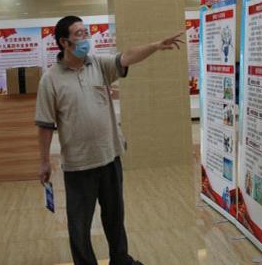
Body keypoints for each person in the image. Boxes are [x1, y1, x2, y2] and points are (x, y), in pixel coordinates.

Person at [36, 15, 183, 265]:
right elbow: (45, 124)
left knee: (115, 216)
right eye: (79, 34)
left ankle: (120, 260)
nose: (85, 38)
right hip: (78, 164)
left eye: (86, 32)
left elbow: (127, 56)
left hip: (109, 156)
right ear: (64, 42)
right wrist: (43, 161)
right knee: (79, 224)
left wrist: (156, 45)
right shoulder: (50, 79)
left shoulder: (98, 65)